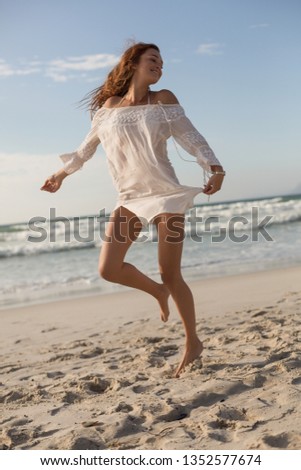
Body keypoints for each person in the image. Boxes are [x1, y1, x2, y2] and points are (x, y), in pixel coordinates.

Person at [41, 42, 225, 377]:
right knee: (108, 269)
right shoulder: (108, 109)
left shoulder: (163, 99)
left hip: (166, 195)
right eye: (153, 59)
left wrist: (215, 168)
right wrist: (59, 175)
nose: (159, 65)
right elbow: (85, 150)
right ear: (133, 63)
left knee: (171, 272)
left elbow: (191, 137)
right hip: (129, 197)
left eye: (162, 62)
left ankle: (192, 341)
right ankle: (157, 291)